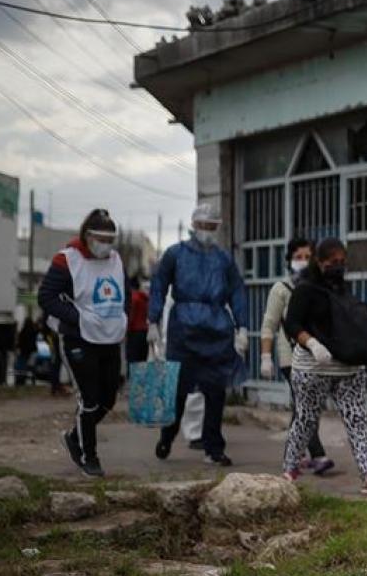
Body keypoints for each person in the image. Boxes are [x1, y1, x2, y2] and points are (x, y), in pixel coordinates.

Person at [282, 238, 367, 495]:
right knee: (305, 420)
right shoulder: (305, 289)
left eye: (342, 262)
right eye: (333, 262)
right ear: (319, 262)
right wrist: (313, 344)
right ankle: (289, 470)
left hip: (347, 370)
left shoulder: (343, 290)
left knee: (357, 421)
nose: (338, 267)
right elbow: (292, 324)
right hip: (312, 368)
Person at [149, 202, 248, 467]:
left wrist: (242, 326)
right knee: (180, 392)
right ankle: (167, 436)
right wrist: (153, 320)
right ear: (193, 225)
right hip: (184, 331)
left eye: (211, 226)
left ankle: (213, 448)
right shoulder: (175, 254)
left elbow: (237, 290)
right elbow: (158, 286)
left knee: (216, 393)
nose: (206, 230)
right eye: (202, 225)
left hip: (216, 331)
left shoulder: (224, 258)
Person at [37, 209, 127, 478]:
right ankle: (90, 457)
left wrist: (126, 319)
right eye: (101, 238)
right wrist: (77, 318)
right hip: (79, 337)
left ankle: (73, 436)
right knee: (89, 399)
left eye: (111, 239)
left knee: (108, 398)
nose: (106, 244)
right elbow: (46, 297)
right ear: (87, 236)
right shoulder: (66, 260)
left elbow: (127, 294)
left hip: (109, 337)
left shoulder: (116, 259)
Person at [261, 237, 334, 476]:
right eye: (298, 257)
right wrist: (265, 357)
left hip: (314, 356)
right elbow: (269, 325)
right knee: (306, 405)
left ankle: (294, 456)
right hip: (289, 357)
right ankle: (318, 455)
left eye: (307, 257)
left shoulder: (318, 287)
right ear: (289, 261)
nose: (303, 262)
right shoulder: (281, 289)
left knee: (304, 406)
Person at [126, 275, 150, 366]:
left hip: (134, 331)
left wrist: (126, 328)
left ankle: (132, 379)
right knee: (142, 360)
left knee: (132, 360)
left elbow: (131, 315)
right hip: (145, 331)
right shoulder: (146, 298)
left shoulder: (134, 298)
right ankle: (141, 379)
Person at [14, 317, 38, 386]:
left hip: (24, 352)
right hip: (32, 351)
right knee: (32, 367)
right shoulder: (34, 331)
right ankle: (33, 380)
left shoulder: (23, 331)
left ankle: (21, 380)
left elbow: (19, 342)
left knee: (22, 367)